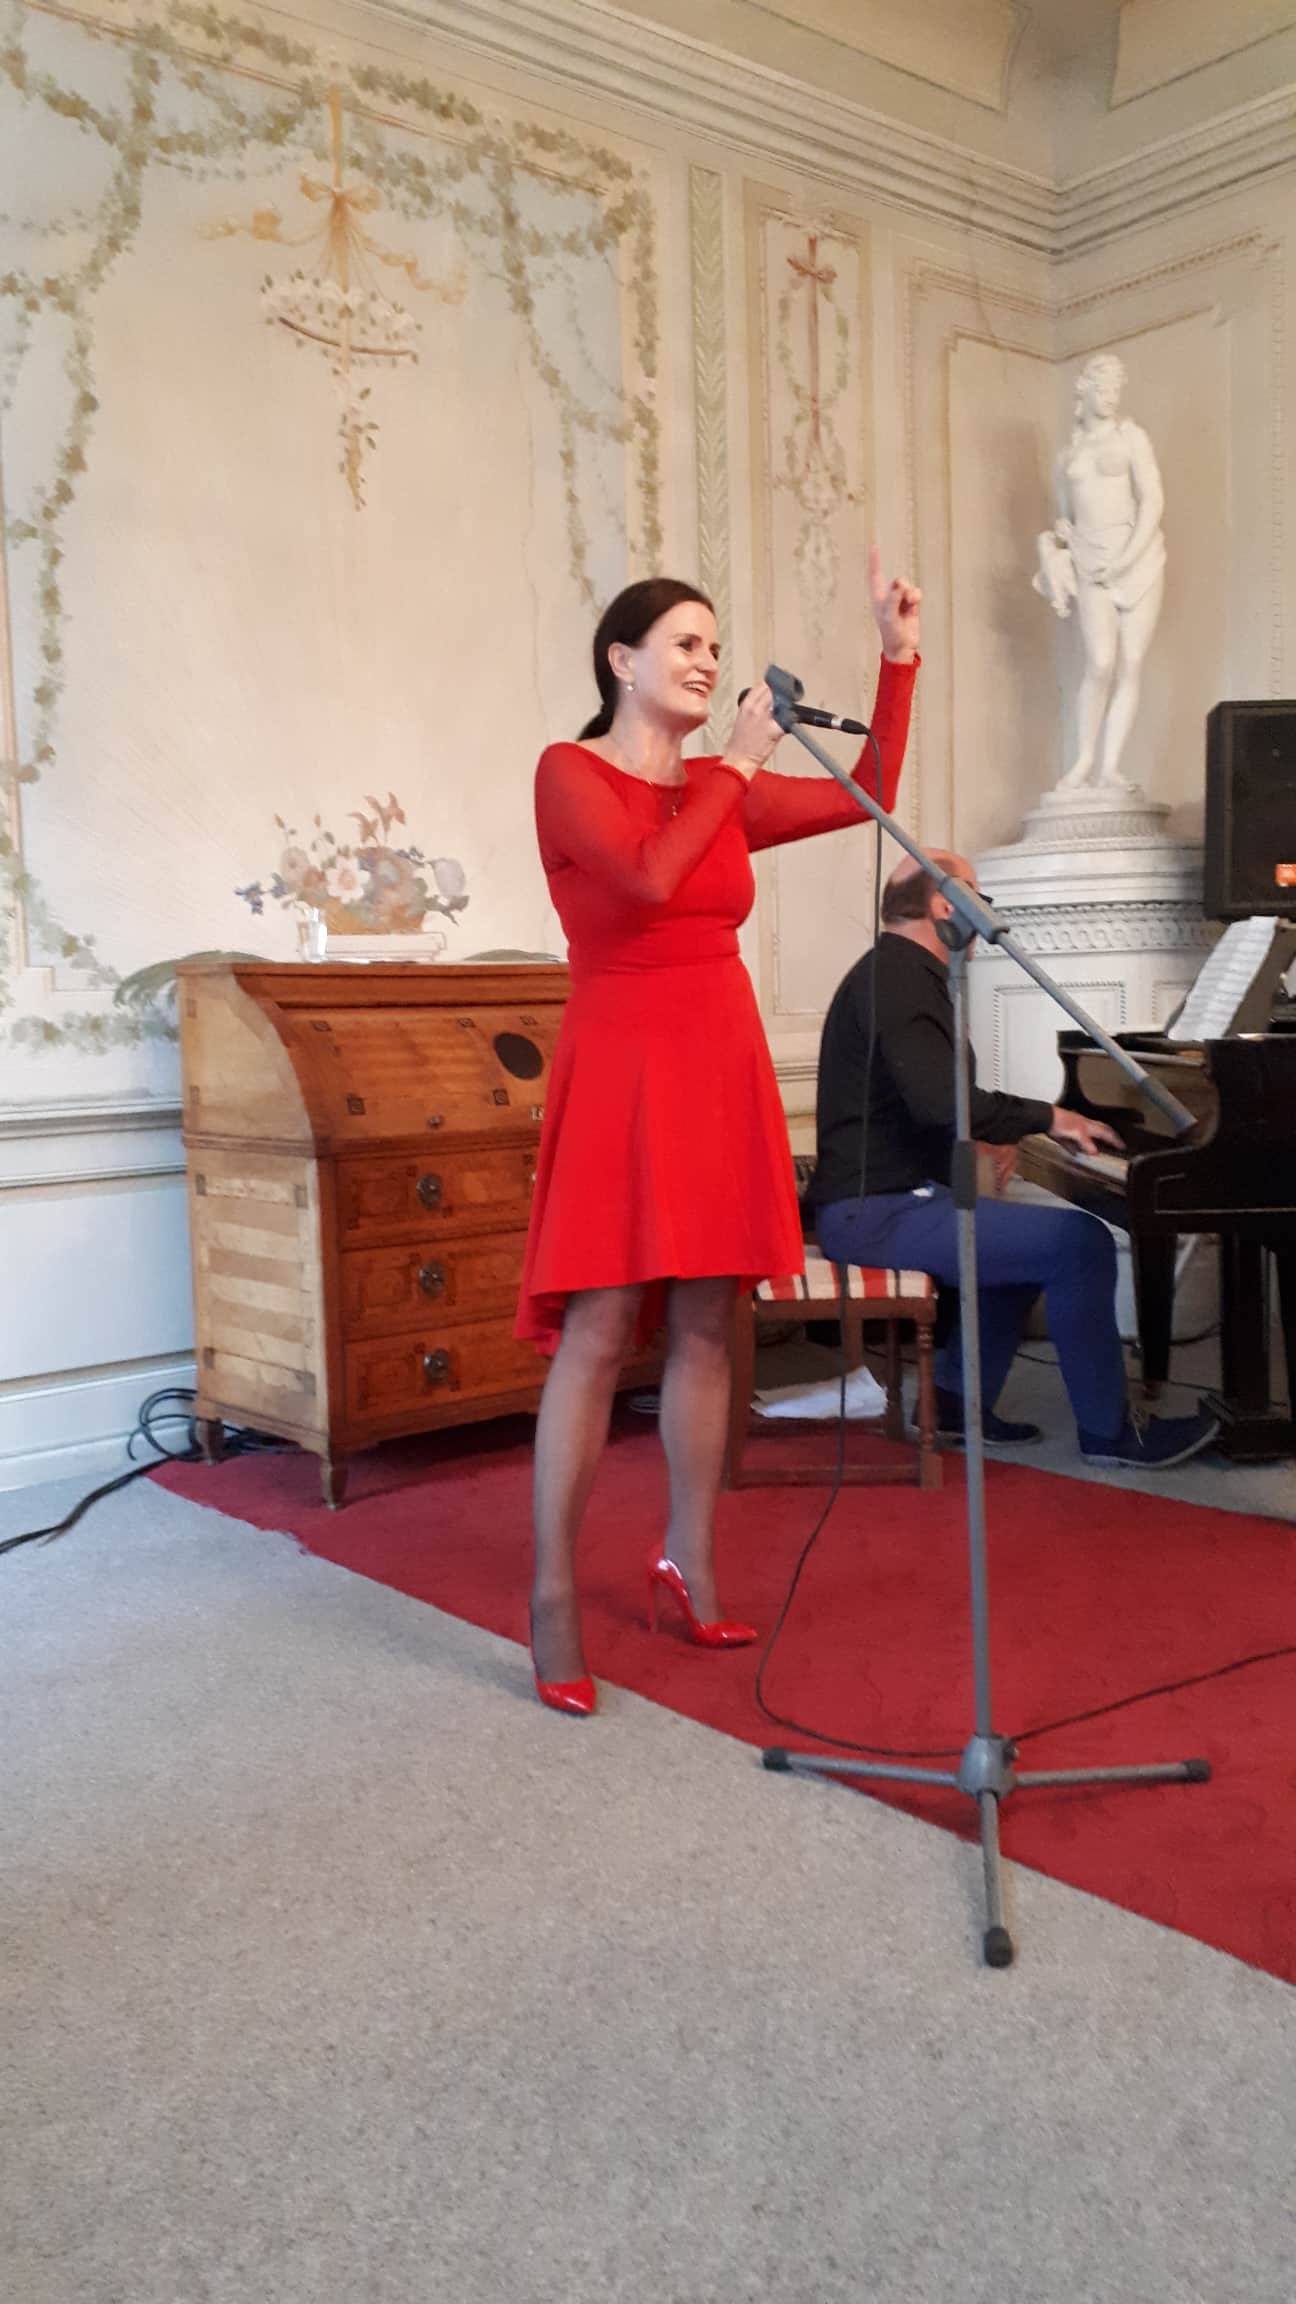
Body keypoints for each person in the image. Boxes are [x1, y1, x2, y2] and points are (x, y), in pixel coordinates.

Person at [517, 549, 922, 1714]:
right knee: (601, 1326)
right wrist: (738, 764)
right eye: (685, 644)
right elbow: (648, 879)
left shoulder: (719, 789)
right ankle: (552, 1595)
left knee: (707, 1321)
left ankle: (689, 1560)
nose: (707, 661)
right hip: (621, 1061)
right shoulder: (570, 772)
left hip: (715, 1058)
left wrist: (897, 657)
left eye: (713, 646)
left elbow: (869, 789)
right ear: (622, 660)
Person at [807, 850, 1219, 1468]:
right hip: (876, 1212)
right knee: (1078, 1243)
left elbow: (923, 1102)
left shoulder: (897, 972)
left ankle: (953, 1407)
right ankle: (1110, 1436)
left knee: (1025, 1251)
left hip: (890, 1199)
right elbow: (941, 1103)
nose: (987, 915)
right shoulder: (899, 981)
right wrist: (1052, 1118)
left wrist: (1001, 1129)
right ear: (946, 906)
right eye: (981, 899)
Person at [1032, 351, 1165, 795]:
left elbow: (1152, 500)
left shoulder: (1132, 438)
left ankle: (1109, 767)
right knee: (1100, 662)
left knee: (1130, 661)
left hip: (1136, 558)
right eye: (1103, 388)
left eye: (1115, 389)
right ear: (1084, 391)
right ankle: (1084, 760)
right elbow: (1065, 514)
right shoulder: (1068, 455)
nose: (1110, 396)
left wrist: (1127, 558)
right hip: (1090, 559)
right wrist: (1061, 531)